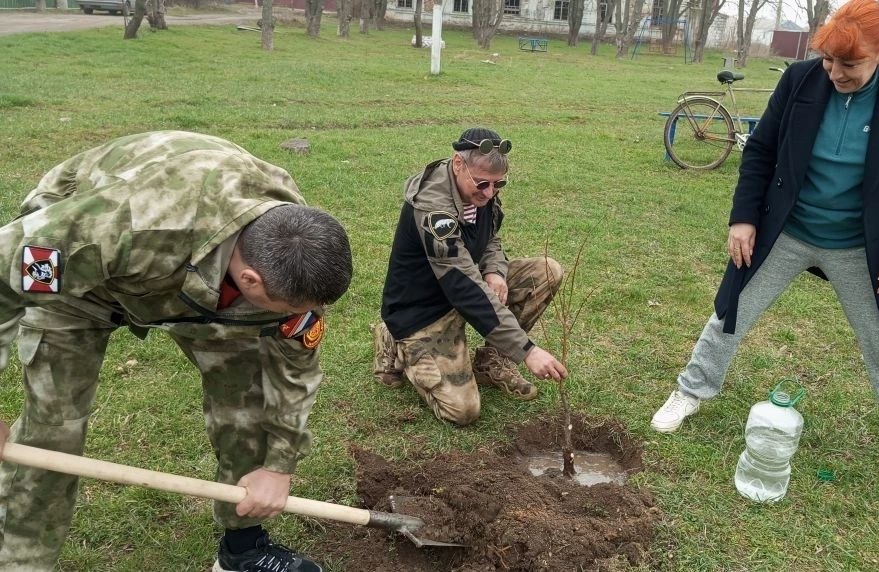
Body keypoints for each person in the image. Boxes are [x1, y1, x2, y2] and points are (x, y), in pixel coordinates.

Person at [0, 131, 354, 572]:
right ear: (251, 282)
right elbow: (2, 272)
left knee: (251, 404)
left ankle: (243, 549)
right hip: (84, 281)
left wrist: (279, 466)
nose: (303, 316)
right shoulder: (122, 224)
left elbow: (293, 366)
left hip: (197, 279)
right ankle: (20, 563)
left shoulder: (290, 241)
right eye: (292, 308)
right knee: (52, 435)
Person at [650, 0, 879, 489]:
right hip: (785, 229)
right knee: (730, 313)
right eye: (830, 61)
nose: (835, 73)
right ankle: (690, 391)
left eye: (849, 64)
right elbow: (763, 151)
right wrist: (744, 218)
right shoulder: (801, 79)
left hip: (865, 243)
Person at [373, 127, 568, 426]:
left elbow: (489, 238)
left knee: (546, 272)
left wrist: (494, 270)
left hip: (464, 286)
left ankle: (493, 360)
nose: (490, 193)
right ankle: (393, 337)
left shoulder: (478, 189)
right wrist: (527, 351)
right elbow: (464, 286)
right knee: (462, 412)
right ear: (457, 164)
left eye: (498, 184)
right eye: (483, 184)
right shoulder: (433, 210)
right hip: (424, 310)